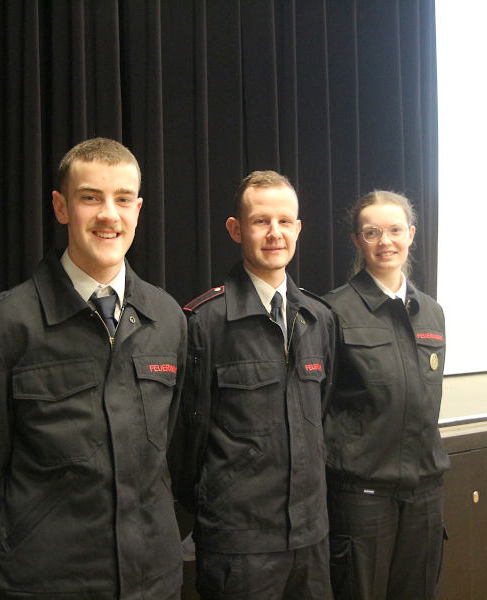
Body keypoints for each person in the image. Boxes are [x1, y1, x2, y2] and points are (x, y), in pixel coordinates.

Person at [0, 138, 187, 600]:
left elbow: (176, 451)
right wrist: (21, 553)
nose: (108, 216)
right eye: (90, 197)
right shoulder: (1, 327)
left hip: (153, 580)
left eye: (121, 200)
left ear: (138, 209)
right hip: (47, 583)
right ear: (60, 207)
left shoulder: (168, 317)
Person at [172, 170, 335, 599]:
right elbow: (186, 439)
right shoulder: (205, 322)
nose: (274, 233)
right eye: (261, 221)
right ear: (236, 229)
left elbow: (322, 413)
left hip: (311, 537)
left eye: (285, 222)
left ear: (298, 229)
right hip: (238, 543)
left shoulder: (319, 318)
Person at [321, 190, 449, 600]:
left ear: (411, 234)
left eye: (395, 230)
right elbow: (318, 406)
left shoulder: (431, 312)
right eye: (372, 232)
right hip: (362, 499)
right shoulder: (332, 312)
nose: (385, 241)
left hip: (424, 494)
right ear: (358, 241)